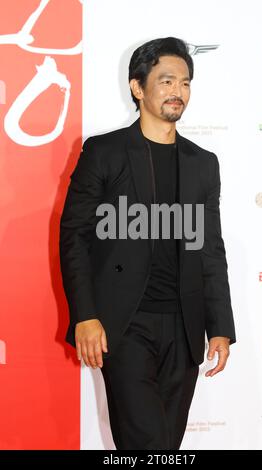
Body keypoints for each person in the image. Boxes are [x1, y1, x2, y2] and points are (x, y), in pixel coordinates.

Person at [59, 37, 236, 450]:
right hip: (123, 325)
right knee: (147, 443)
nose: (178, 91)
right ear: (138, 88)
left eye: (186, 83)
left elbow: (211, 248)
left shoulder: (203, 163)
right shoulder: (104, 153)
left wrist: (221, 327)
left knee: (166, 446)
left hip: (184, 325)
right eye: (167, 80)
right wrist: (85, 315)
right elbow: (75, 237)